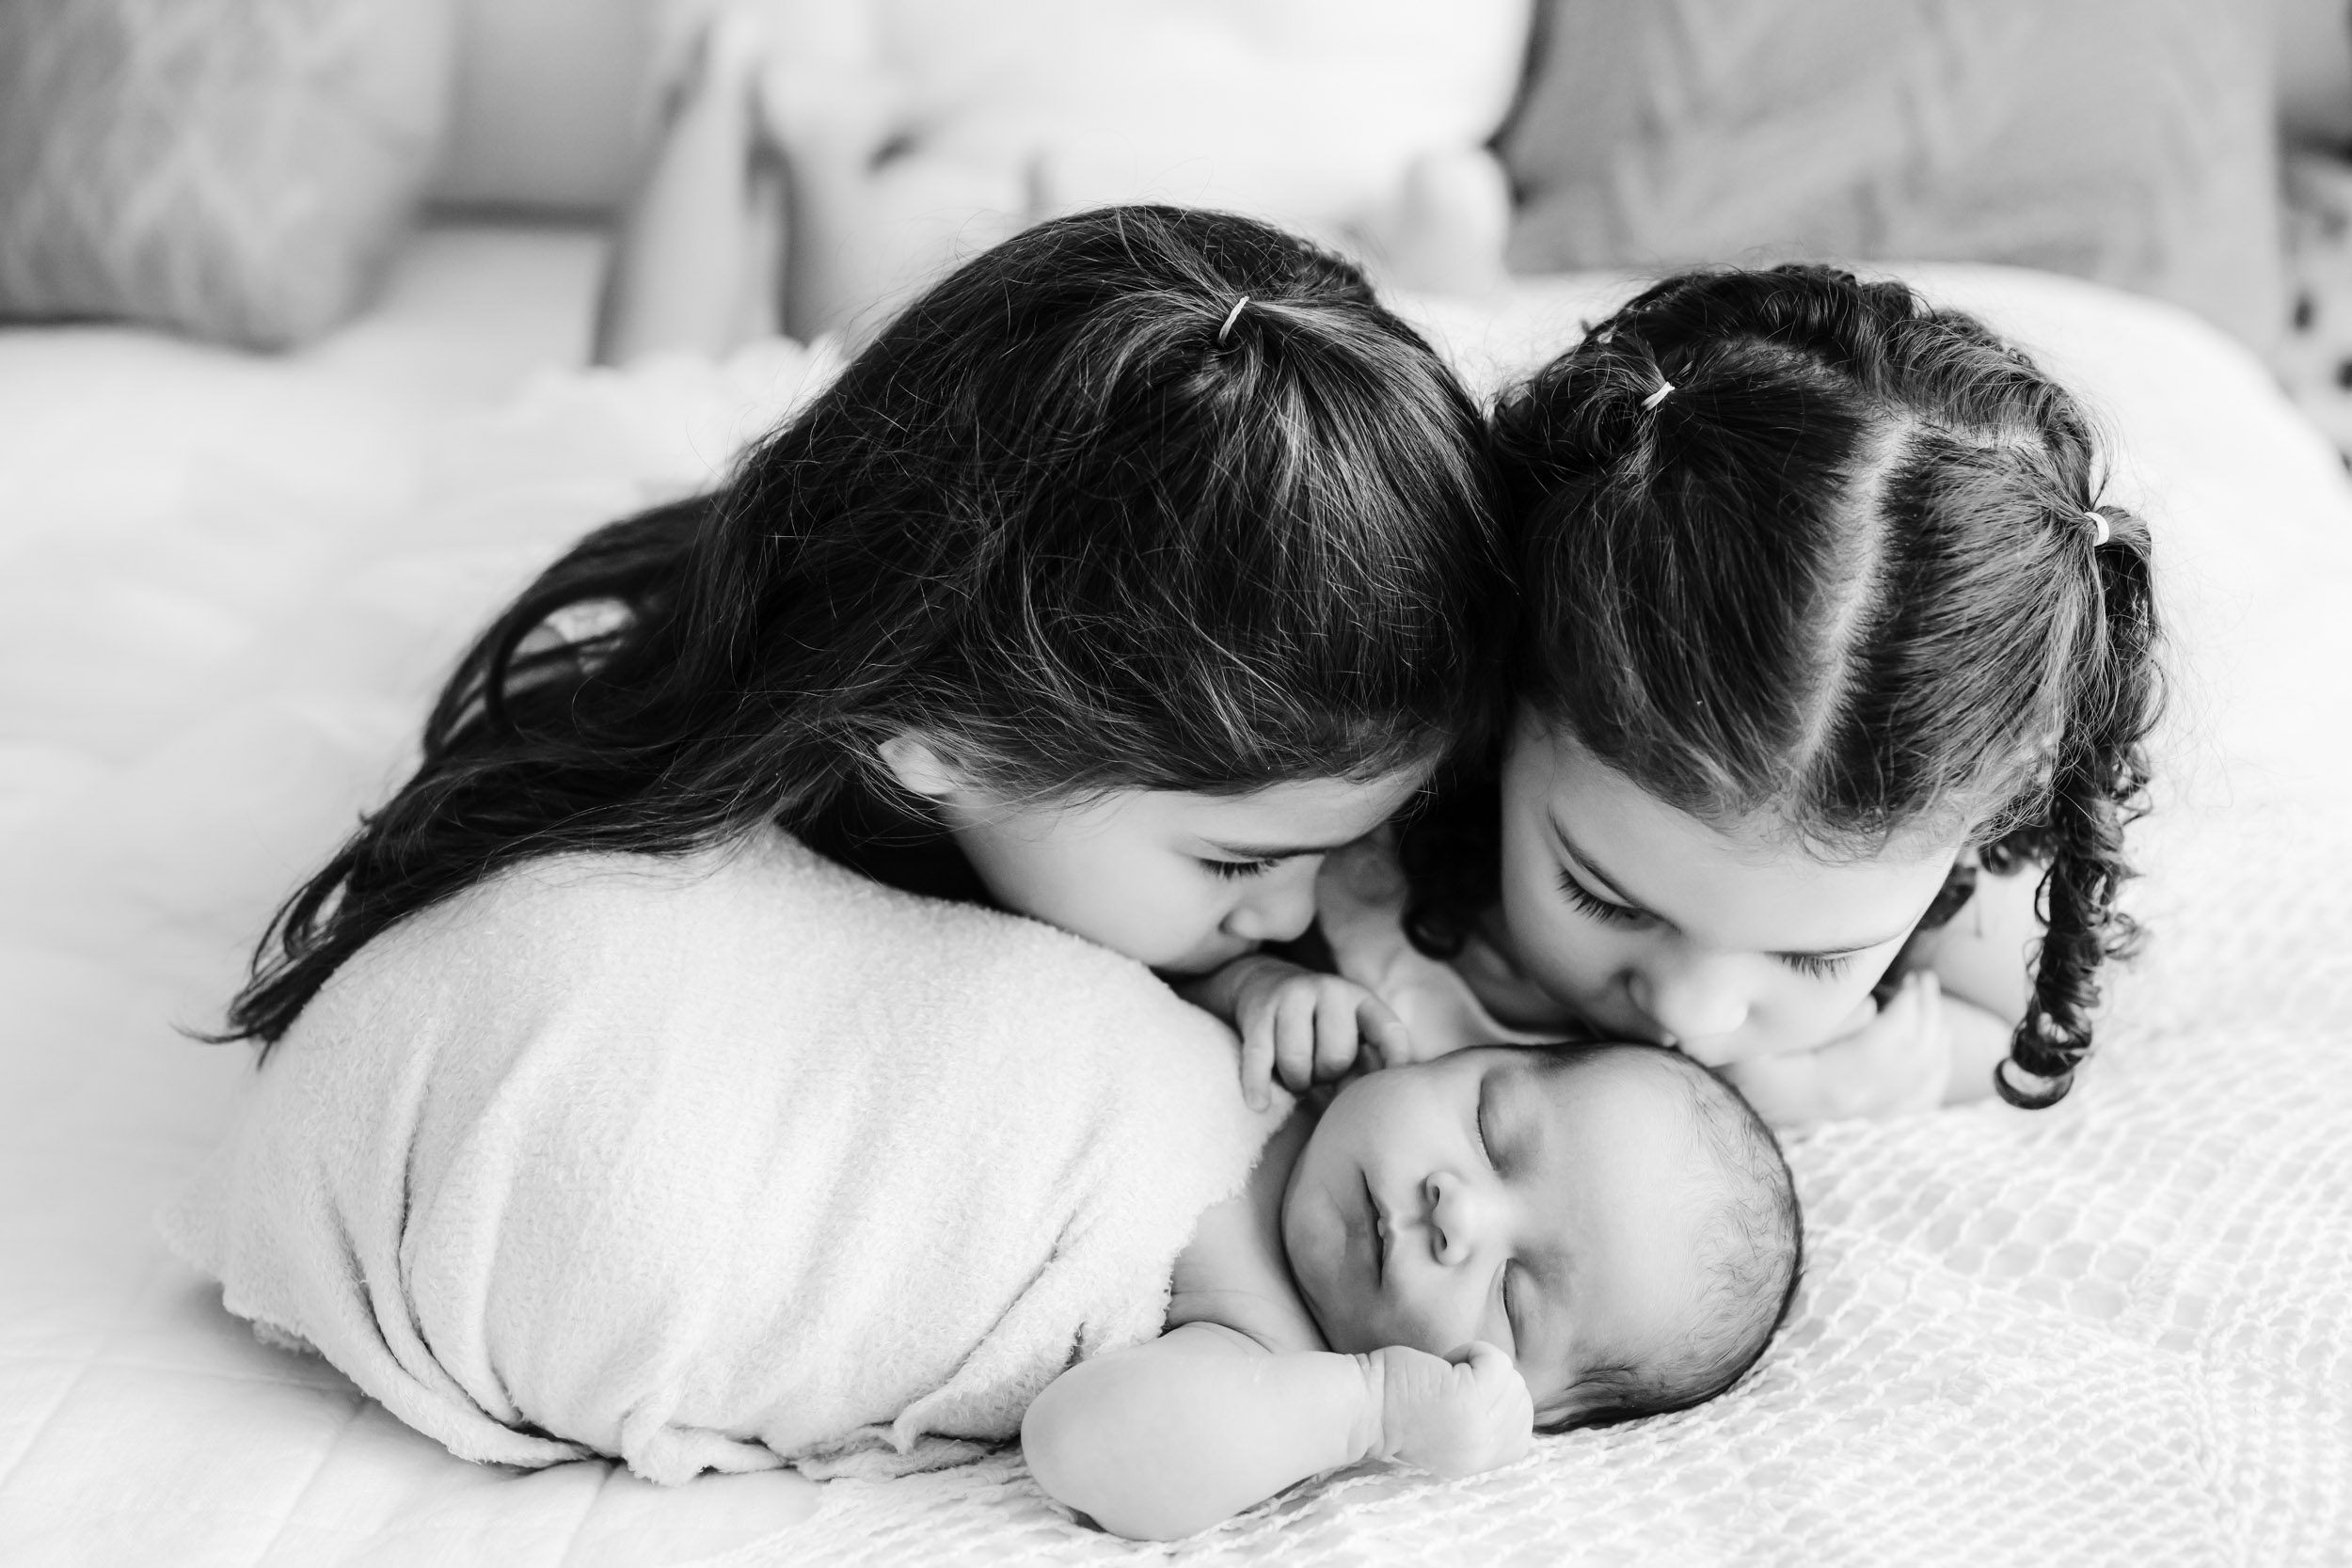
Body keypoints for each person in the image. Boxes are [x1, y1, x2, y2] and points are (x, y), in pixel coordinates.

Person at [216, 203, 1505, 1049]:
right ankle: (716, 102)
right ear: (931, 738)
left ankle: (844, 179)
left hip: (895, 491)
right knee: (631, 375)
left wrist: (1254, 987)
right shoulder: (696, 829)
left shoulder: (1108, 754)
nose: (1295, 911)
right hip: (662, 522)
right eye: (1235, 865)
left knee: (850, 366)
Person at [1198, 265, 2162, 1125]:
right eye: (1604, 898)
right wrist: (1251, 983)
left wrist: (1855, 1080)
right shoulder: (1355, 814)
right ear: (1503, 701)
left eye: (1812, 960)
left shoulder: (1938, 826)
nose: (1690, 1011)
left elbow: (1997, 1020)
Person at [1023, 1040, 1803, 1540]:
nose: (1458, 1209)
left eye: (1511, 1296)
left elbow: (1080, 1446)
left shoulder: (1264, 1360)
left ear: (1507, 1400)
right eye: (1490, 1129)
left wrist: (1375, 1406)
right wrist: (1257, 983)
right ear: (1454, 1052)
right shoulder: (1303, 1053)